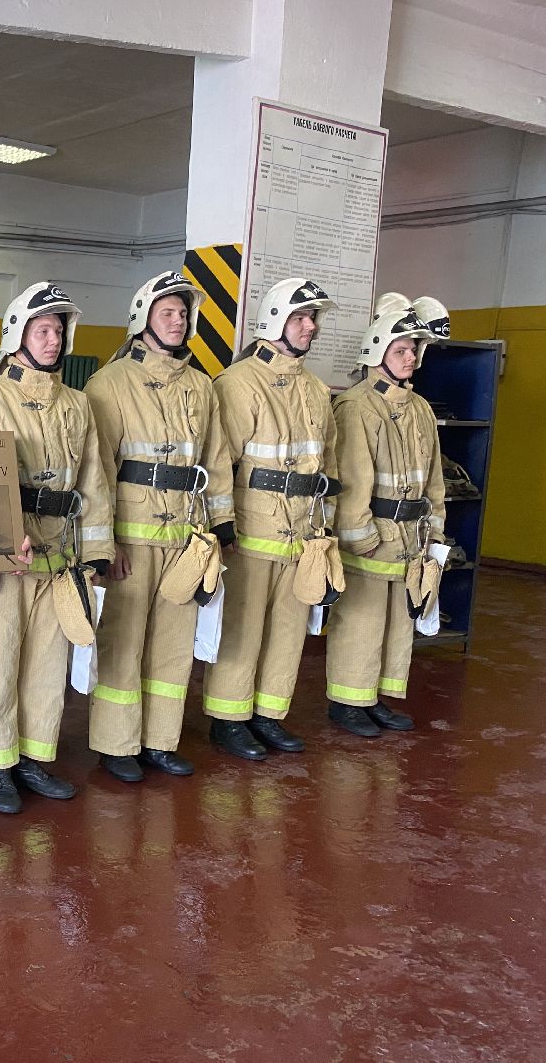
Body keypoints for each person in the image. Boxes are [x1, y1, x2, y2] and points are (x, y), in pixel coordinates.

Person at [0, 282, 113, 813]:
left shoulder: (77, 405)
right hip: (4, 561)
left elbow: (93, 482)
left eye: (58, 330)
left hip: (59, 557)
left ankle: (31, 757)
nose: (52, 339)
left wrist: (95, 554)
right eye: (41, 329)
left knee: (46, 663)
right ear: (16, 335)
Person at [82, 271, 234, 782]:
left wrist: (221, 523)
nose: (177, 320)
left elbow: (214, 458)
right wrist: (105, 541)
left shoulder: (200, 386)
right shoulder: (109, 383)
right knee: (122, 642)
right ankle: (116, 744)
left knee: (174, 643)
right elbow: (97, 469)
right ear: (143, 317)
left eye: (183, 313)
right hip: (133, 537)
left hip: (187, 540)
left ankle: (160, 740)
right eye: (167, 312)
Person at [201, 279, 341, 759]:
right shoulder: (237, 384)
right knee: (243, 628)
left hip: (303, 533)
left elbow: (331, 467)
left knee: (287, 629)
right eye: (303, 317)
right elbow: (219, 464)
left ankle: (268, 715)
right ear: (276, 319)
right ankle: (229, 718)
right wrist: (221, 528)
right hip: (252, 532)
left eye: (314, 319)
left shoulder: (316, 391)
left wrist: (327, 526)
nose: (311, 327)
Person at [325, 301, 446, 736]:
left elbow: (434, 480)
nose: (411, 357)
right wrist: (360, 537)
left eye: (414, 349)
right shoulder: (357, 407)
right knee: (361, 621)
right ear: (376, 352)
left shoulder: (420, 408)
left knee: (397, 623)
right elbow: (351, 481)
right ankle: (347, 702)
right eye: (401, 349)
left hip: (412, 537)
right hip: (374, 537)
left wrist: (437, 534)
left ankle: (374, 697)